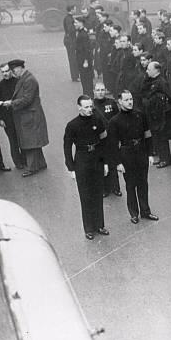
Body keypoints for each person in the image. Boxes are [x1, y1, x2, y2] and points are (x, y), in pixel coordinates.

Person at [107, 90, 159, 224]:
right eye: (126, 100)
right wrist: (118, 163)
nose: (130, 102)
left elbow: (148, 135)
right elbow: (112, 144)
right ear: (119, 102)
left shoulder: (140, 115)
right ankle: (134, 213)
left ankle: (145, 211)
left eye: (131, 99)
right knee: (130, 185)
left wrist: (150, 154)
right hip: (126, 154)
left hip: (141, 151)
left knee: (143, 183)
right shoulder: (114, 121)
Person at [63, 95, 109, 240]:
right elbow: (67, 147)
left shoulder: (97, 120)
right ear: (79, 107)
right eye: (87, 107)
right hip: (82, 161)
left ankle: (99, 225)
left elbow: (104, 141)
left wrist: (106, 162)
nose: (90, 109)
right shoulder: (72, 125)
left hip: (97, 160)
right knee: (85, 195)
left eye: (91, 106)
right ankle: (89, 228)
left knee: (97, 193)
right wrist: (71, 168)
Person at [0, 59, 48, 177]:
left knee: (30, 142)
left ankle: (32, 167)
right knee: (33, 140)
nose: (13, 73)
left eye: (13, 71)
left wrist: (10, 103)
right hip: (29, 115)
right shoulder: (26, 78)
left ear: (20, 68)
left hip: (30, 115)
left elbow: (27, 99)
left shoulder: (28, 80)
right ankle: (41, 163)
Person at [143, 62, 171, 167]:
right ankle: (162, 157)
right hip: (155, 113)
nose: (147, 71)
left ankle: (166, 160)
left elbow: (170, 96)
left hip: (161, 114)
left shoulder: (161, 82)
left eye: (149, 69)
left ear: (155, 71)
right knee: (157, 136)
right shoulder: (153, 80)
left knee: (162, 137)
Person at [92, 82, 122, 197]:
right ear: (94, 91)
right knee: (101, 164)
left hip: (111, 138)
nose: (100, 92)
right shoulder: (92, 105)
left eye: (102, 90)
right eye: (98, 90)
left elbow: (118, 118)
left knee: (113, 162)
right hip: (99, 139)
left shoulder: (111, 103)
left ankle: (115, 187)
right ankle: (104, 189)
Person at [0, 63, 25, 169]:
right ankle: (18, 162)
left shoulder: (18, 82)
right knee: (13, 141)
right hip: (7, 118)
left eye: (7, 71)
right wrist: (0, 119)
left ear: (10, 71)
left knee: (22, 138)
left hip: (19, 116)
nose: (5, 74)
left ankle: (25, 159)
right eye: (2, 72)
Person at [75, 16, 94, 95]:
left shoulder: (83, 34)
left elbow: (87, 48)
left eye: (76, 22)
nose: (74, 24)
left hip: (84, 60)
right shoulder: (81, 32)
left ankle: (89, 95)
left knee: (86, 79)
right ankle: (86, 94)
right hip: (81, 59)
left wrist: (86, 61)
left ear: (81, 23)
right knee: (83, 79)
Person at [63, 5, 79, 82]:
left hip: (69, 40)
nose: (76, 10)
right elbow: (70, 29)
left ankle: (75, 76)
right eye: (75, 9)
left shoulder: (68, 18)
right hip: (70, 41)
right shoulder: (69, 19)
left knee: (73, 58)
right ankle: (75, 76)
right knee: (73, 59)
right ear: (72, 10)